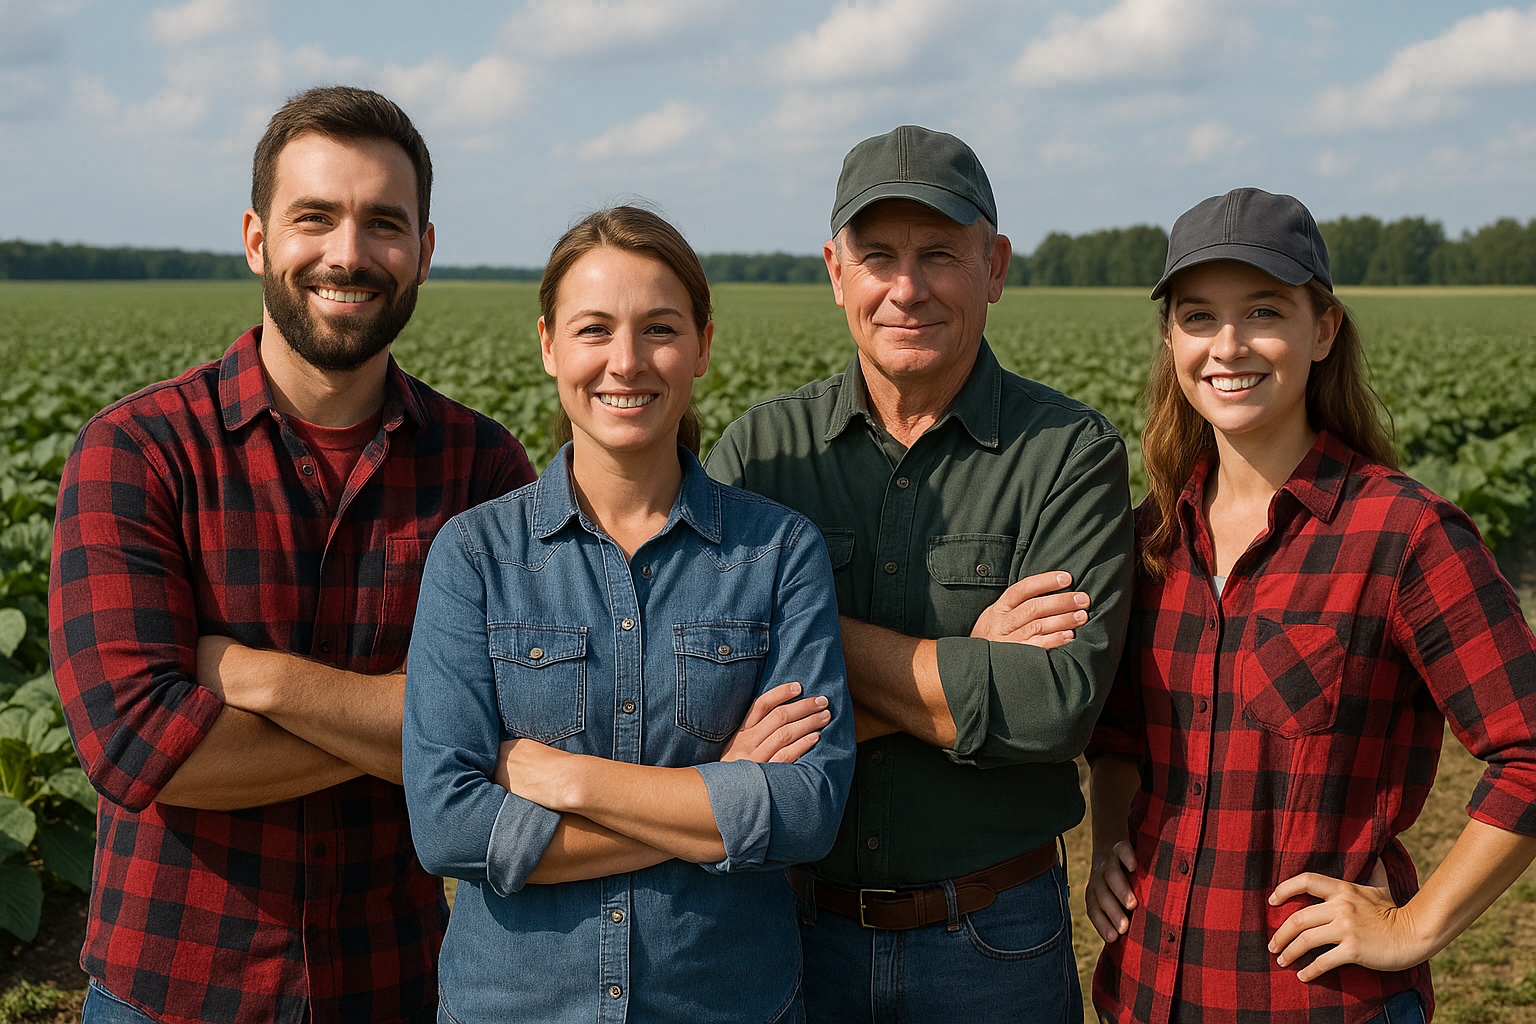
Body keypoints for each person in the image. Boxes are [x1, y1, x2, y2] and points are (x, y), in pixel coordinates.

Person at [48, 86, 535, 1024]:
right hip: (173, 988)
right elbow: (140, 747)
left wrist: (259, 680)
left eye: (384, 224)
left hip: (393, 981)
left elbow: (527, 716)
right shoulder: (139, 451)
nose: (348, 255)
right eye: (316, 217)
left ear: (425, 251)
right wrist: (428, 730)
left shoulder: (482, 466)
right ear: (257, 238)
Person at [706, 125, 1135, 1021]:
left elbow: (1053, 708)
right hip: (795, 929)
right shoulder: (763, 452)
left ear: (996, 266)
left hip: (993, 938)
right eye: (878, 257)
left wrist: (805, 635)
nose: (907, 289)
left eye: (940, 253)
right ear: (835, 271)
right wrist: (964, 659)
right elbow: (710, 684)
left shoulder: (1067, 453)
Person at [1084, 187, 1536, 1024]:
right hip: (1143, 993)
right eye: (1197, 317)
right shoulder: (1151, 539)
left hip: (1317, 1005)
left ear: (1322, 329)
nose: (1228, 346)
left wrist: (1414, 925)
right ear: (1170, 339)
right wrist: (1112, 836)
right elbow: (1121, 738)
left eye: (1263, 311)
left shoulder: (1403, 536)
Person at [401, 205, 855, 1024]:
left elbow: (806, 808)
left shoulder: (778, 552)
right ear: (548, 345)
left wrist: (569, 780)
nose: (626, 362)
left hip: (726, 1004)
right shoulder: (474, 557)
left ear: (703, 347)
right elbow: (449, 826)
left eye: (659, 329)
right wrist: (713, 800)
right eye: (593, 330)